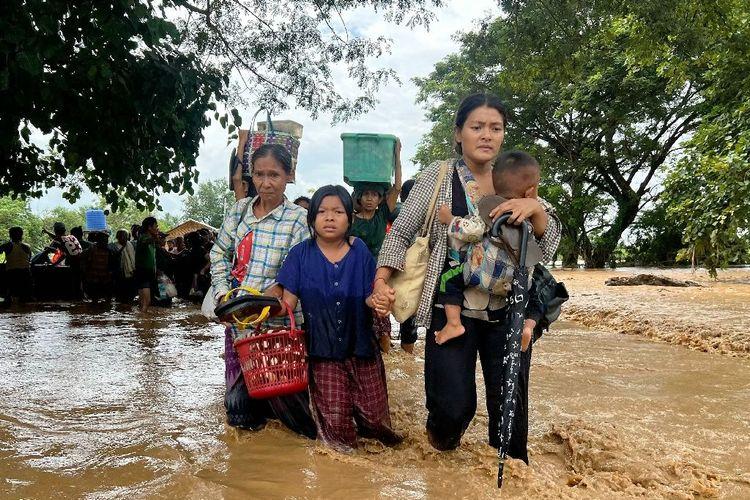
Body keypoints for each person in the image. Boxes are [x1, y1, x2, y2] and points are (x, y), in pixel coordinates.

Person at [372, 93, 561, 459]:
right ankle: (442, 462)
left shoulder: (517, 176)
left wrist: (535, 208)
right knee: (451, 409)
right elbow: (401, 232)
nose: (487, 135)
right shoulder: (438, 176)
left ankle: (509, 477)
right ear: (459, 133)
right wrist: (381, 280)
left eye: (496, 128)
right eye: (477, 127)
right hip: (451, 304)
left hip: (509, 309)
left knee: (509, 412)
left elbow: (548, 245)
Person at [276, 185, 402, 451]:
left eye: (337, 211)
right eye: (322, 211)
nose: (330, 217)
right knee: (336, 433)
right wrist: (256, 308)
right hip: (322, 354)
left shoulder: (361, 252)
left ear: (350, 219)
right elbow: (287, 303)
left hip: (362, 349)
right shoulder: (300, 254)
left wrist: (379, 300)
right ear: (311, 219)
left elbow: (368, 297)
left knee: (376, 424)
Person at [210, 143, 316, 437]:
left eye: (274, 175)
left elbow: (297, 267)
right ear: (251, 176)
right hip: (240, 322)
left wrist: (278, 290)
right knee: (240, 407)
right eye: (259, 174)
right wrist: (222, 295)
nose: (266, 183)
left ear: (289, 176)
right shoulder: (239, 211)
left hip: (279, 326)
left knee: (289, 403)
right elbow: (219, 253)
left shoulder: (297, 219)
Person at [434, 150, 545, 345]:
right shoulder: (529, 217)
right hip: (516, 284)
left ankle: (453, 323)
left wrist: (450, 219)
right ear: (530, 192)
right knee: (536, 291)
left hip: (482, 275)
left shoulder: (491, 209)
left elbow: (472, 231)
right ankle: (527, 326)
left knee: (448, 278)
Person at [351, 139, 403, 352]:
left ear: (380, 198)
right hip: (356, 270)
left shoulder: (382, 214)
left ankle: (385, 352)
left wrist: (396, 156)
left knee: (382, 315)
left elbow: (398, 186)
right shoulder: (351, 218)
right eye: (366, 194)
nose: (370, 199)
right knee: (358, 310)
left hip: (380, 269)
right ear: (359, 197)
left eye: (374, 195)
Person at [0, 227, 33, 303]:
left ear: (10, 235)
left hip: (12, 273)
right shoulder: (27, 247)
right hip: (26, 274)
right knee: (24, 299)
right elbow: (29, 259)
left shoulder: (6, 246)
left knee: (8, 294)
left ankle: (7, 297)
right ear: (22, 235)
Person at [81, 231, 114, 303]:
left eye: (106, 240)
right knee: (95, 298)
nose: (105, 242)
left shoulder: (109, 250)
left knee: (107, 299)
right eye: (103, 240)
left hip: (105, 278)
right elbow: (83, 258)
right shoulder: (91, 249)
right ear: (98, 240)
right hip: (94, 278)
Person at [134, 217, 159, 312]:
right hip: (143, 272)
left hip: (144, 272)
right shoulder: (144, 237)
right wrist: (155, 237)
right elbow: (146, 241)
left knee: (142, 303)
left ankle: (141, 323)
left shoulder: (146, 237)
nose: (157, 228)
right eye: (156, 226)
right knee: (146, 302)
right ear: (149, 227)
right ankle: (144, 325)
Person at [113, 229, 136, 304]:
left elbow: (133, 257)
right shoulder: (114, 246)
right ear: (118, 237)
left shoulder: (130, 244)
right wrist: (123, 247)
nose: (125, 238)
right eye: (123, 237)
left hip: (131, 272)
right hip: (120, 273)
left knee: (130, 294)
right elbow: (115, 257)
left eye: (126, 237)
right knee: (121, 294)